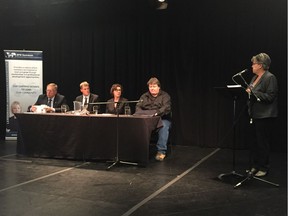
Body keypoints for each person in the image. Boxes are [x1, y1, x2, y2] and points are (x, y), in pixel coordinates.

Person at [246, 53, 278, 177]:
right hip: (254, 114)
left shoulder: (270, 77)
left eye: (254, 63)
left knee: (262, 142)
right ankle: (255, 166)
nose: (252, 66)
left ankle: (263, 168)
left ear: (260, 65)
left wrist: (253, 92)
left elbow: (270, 96)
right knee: (254, 142)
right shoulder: (254, 78)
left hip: (265, 115)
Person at [136, 77, 171, 161]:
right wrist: (143, 114)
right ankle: (138, 150)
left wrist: (156, 113)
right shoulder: (144, 96)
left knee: (164, 126)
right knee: (136, 124)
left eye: (154, 86)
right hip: (146, 119)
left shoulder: (165, 96)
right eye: (150, 86)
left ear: (159, 87)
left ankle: (161, 151)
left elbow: (166, 108)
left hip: (162, 118)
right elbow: (138, 107)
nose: (152, 88)